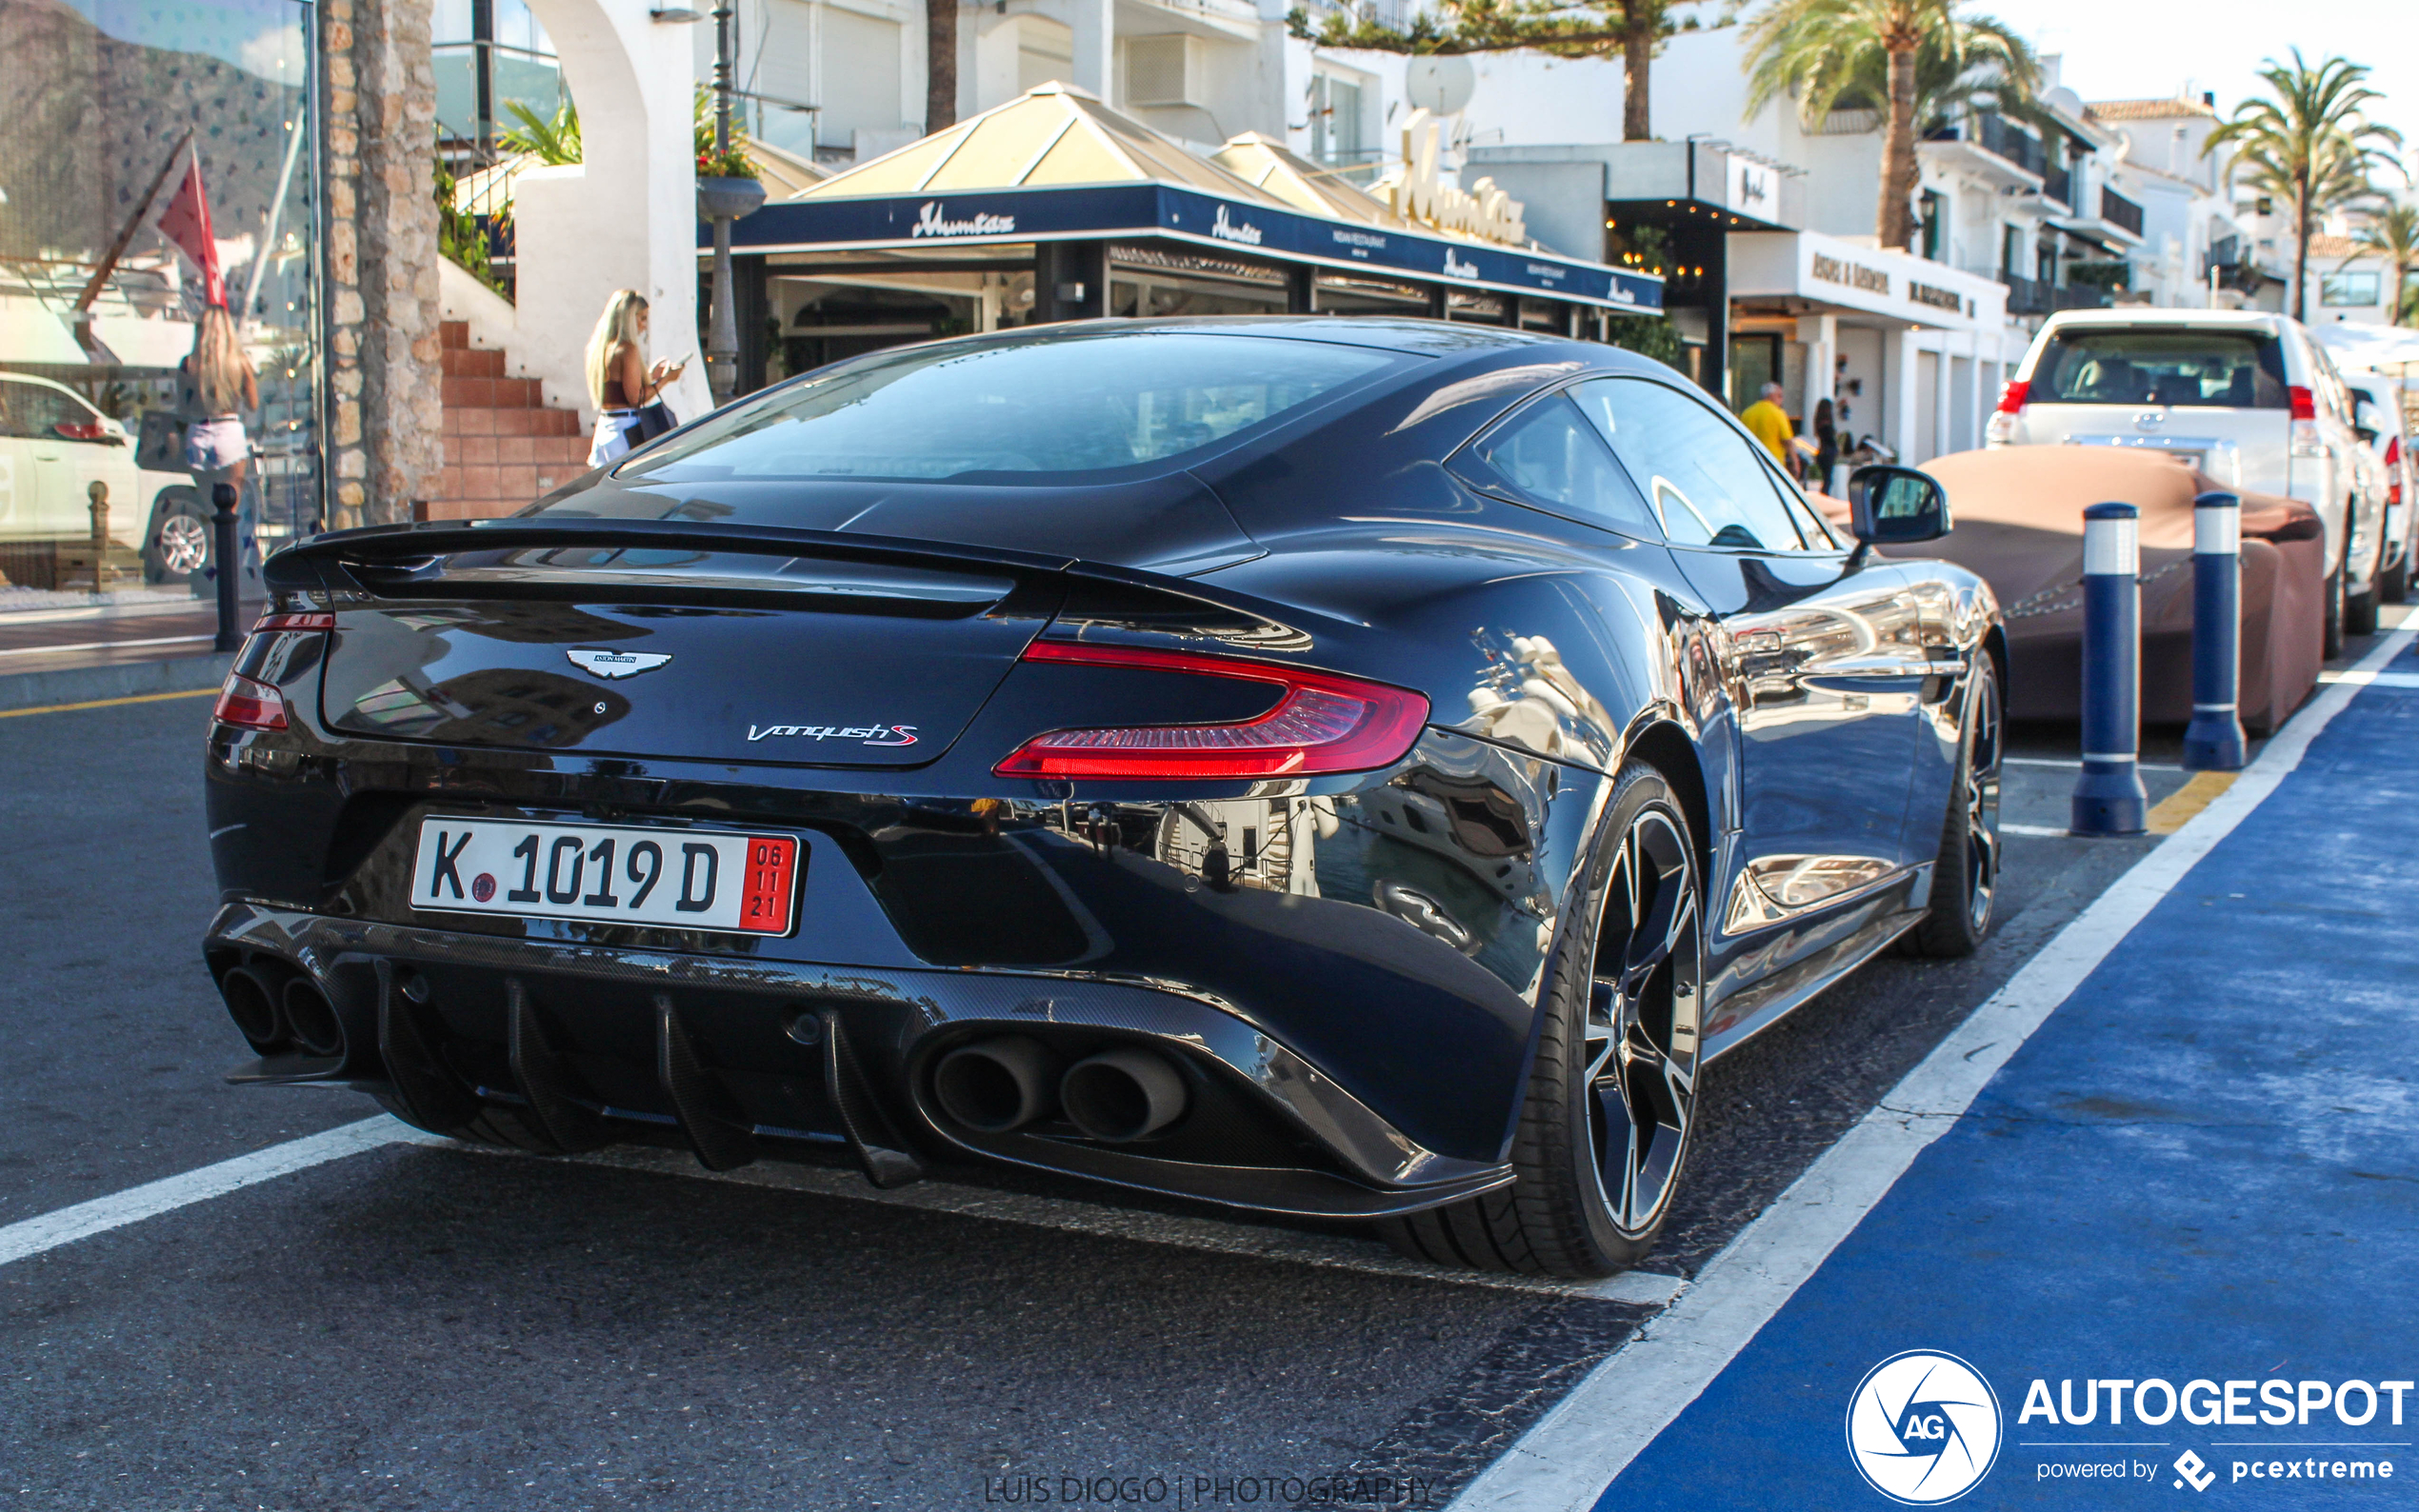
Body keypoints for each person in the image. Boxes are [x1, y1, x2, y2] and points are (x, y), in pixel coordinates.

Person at [585, 289, 688, 467]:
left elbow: (617, 387)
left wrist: (648, 376)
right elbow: (635, 398)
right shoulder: (627, 350)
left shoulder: (601, 349)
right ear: (629, 319)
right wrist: (665, 380)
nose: (644, 325)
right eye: (642, 318)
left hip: (605, 428)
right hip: (626, 430)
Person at [179, 304, 258, 498]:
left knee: (208, 508)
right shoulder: (239, 362)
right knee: (231, 507)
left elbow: (182, 406)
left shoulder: (189, 364)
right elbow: (253, 404)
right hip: (228, 430)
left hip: (198, 432)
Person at [1740, 381, 1794, 466]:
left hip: (1750, 461)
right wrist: (1795, 462)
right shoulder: (1778, 413)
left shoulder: (1746, 413)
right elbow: (1787, 441)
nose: (1782, 400)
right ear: (1771, 396)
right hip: (1773, 463)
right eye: (1780, 396)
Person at [1812, 396, 1840, 490]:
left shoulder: (1819, 423)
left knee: (1826, 479)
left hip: (1822, 451)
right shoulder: (1827, 425)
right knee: (1828, 480)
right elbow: (1831, 440)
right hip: (1828, 453)